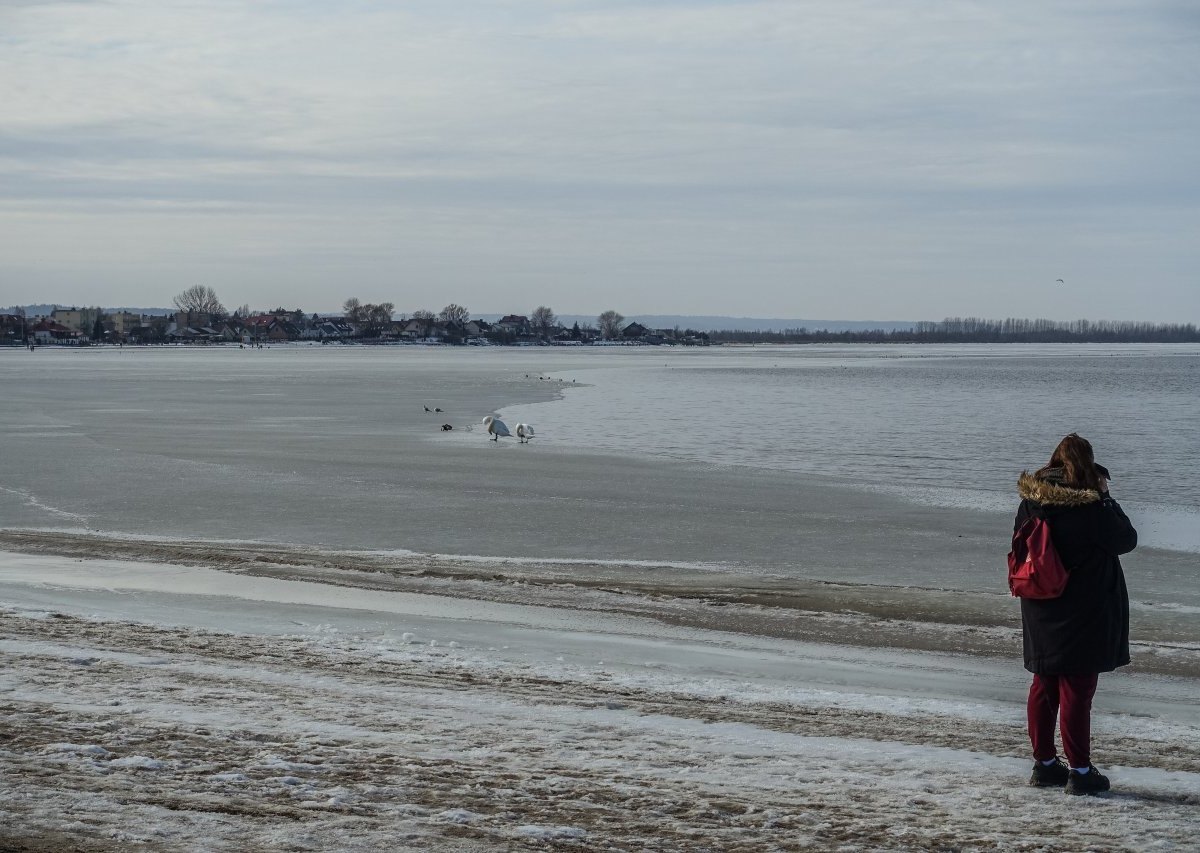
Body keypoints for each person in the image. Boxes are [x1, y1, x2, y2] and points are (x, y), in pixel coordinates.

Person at [1015, 433, 1137, 795]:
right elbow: (1125, 540)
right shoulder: (1091, 509)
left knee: (1044, 684)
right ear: (1089, 466)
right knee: (1077, 690)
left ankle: (1045, 765)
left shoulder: (1030, 503)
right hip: (1084, 608)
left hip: (1039, 603)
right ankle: (1080, 773)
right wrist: (1106, 498)